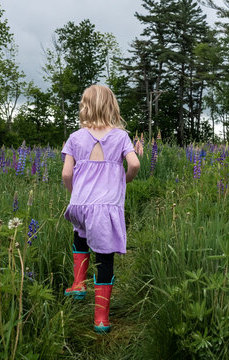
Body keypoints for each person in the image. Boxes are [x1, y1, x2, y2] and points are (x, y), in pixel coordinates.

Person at [61, 84, 140, 334]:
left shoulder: (75, 137)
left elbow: (66, 173)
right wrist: (124, 179)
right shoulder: (120, 136)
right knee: (104, 256)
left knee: (80, 235)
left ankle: (78, 284)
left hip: (79, 203)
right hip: (105, 206)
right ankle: (101, 319)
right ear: (112, 106)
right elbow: (135, 164)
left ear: (85, 106)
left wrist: (75, 193)